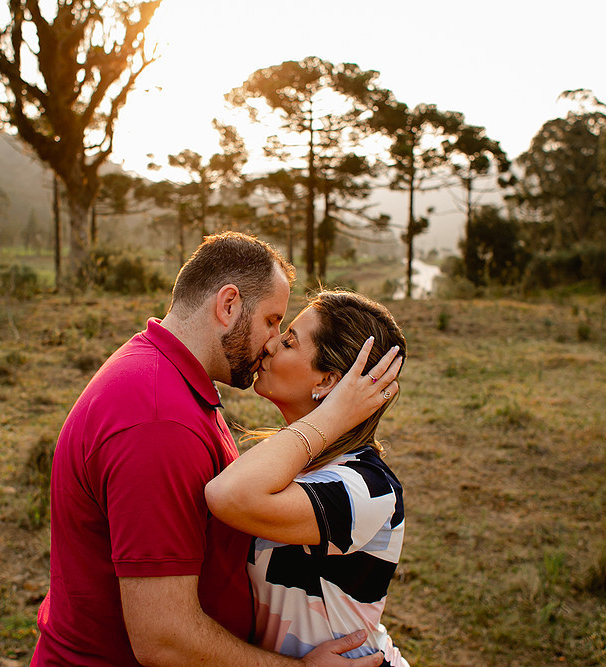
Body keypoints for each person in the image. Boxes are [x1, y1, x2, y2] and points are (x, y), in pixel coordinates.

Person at [31, 232, 387, 666]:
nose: (273, 342)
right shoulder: (158, 417)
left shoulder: (170, 382)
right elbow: (164, 637)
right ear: (229, 305)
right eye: (273, 321)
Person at [206, 291, 410, 667]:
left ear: (329, 379)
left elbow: (227, 496)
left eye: (288, 341)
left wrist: (332, 416)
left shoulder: (367, 488)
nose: (269, 346)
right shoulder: (293, 463)